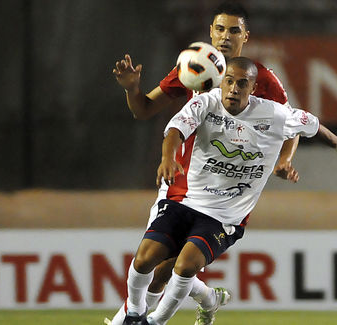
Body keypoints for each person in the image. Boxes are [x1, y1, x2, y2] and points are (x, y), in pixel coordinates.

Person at [121, 57, 337, 325]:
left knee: (183, 267)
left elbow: (313, 124)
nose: (234, 88)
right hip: (186, 201)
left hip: (224, 217)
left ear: (252, 88)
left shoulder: (274, 114)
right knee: (145, 259)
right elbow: (175, 130)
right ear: (221, 82)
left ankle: (154, 322)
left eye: (242, 84)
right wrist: (168, 158)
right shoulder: (206, 101)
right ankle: (135, 313)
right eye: (229, 81)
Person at [108, 2, 300, 324]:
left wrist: (284, 160)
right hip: (182, 187)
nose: (226, 37)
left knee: (172, 268)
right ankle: (194, 302)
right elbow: (142, 110)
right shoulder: (192, 67)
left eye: (234, 30)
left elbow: (292, 123)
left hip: (225, 195)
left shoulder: (260, 78)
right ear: (210, 32)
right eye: (220, 29)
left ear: (245, 36)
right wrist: (132, 90)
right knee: (160, 266)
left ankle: (153, 314)